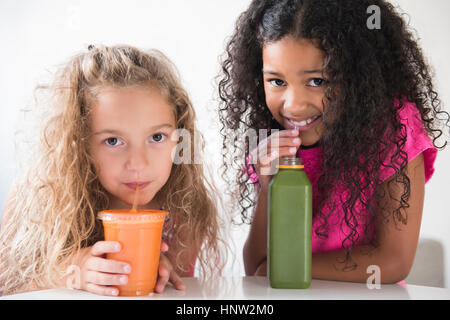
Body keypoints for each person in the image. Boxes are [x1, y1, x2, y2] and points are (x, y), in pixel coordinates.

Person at [218, 0, 449, 283]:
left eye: (317, 81)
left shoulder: (393, 128)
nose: (294, 106)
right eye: (277, 82)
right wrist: (269, 187)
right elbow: (256, 267)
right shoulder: (274, 144)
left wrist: (287, 269)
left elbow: (393, 261)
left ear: (356, 75)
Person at [0, 45, 222, 296]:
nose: (138, 164)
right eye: (113, 141)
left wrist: (160, 274)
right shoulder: (36, 195)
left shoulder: (185, 206)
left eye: (157, 137)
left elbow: (179, 295)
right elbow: (7, 285)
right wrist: (70, 271)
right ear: (80, 144)